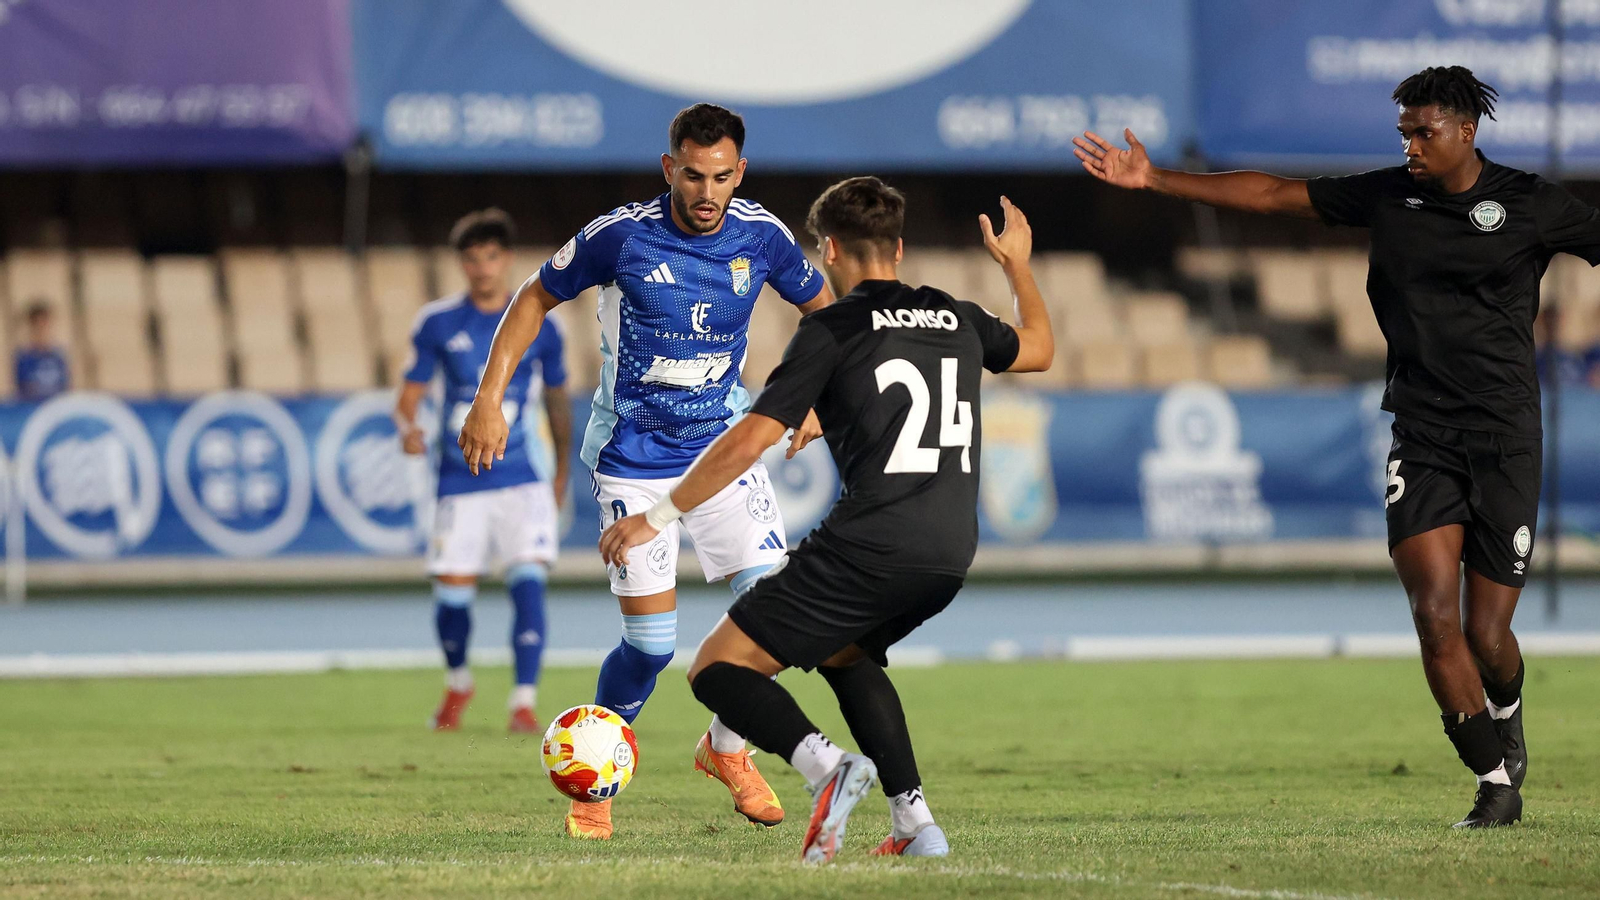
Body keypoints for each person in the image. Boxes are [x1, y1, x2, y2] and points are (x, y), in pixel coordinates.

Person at [1074, 65, 1600, 828]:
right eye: (1404, 133)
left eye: (1424, 132)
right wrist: (1156, 178)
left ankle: (1507, 711)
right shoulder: (1387, 195)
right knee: (1434, 617)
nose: (1410, 145)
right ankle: (1494, 783)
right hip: (1421, 434)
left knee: (1489, 635)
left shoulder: (1531, 204)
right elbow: (1271, 194)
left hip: (1507, 440)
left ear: (1466, 132)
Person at [600, 177, 1054, 863]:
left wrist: (657, 516)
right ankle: (917, 826)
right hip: (950, 553)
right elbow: (1040, 349)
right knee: (846, 653)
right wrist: (1016, 264)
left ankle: (827, 768)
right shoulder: (955, 315)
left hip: (870, 543)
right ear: (898, 248)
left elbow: (749, 441)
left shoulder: (833, 328)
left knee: (716, 668)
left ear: (829, 249)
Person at [457, 103, 835, 840]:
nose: (706, 192)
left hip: (722, 452)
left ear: (740, 173)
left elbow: (824, 309)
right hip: (632, 460)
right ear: (669, 168)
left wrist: (818, 391)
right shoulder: (620, 236)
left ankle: (726, 748)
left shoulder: (762, 235)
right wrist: (489, 398)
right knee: (652, 647)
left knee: (775, 618)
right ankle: (595, 779)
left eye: (720, 177)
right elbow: (533, 297)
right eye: (692, 175)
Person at [395, 208, 571, 735]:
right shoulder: (437, 323)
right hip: (459, 479)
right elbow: (408, 397)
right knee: (452, 593)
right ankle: (458, 682)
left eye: (491, 257)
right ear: (461, 264)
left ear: (507, 259)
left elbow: (557, 402)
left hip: (522, 477)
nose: (482, 268)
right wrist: (407, 426)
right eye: (472, 259)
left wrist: (562, 471)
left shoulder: (542, 324)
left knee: (528, 584)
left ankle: (523, 701)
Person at [15, 302, 69, 400]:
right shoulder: (24, 359)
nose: (42, 330)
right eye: (37, 325)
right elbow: (24, 389)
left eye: (44, 324)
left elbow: (65, 387)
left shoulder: (58, 357)